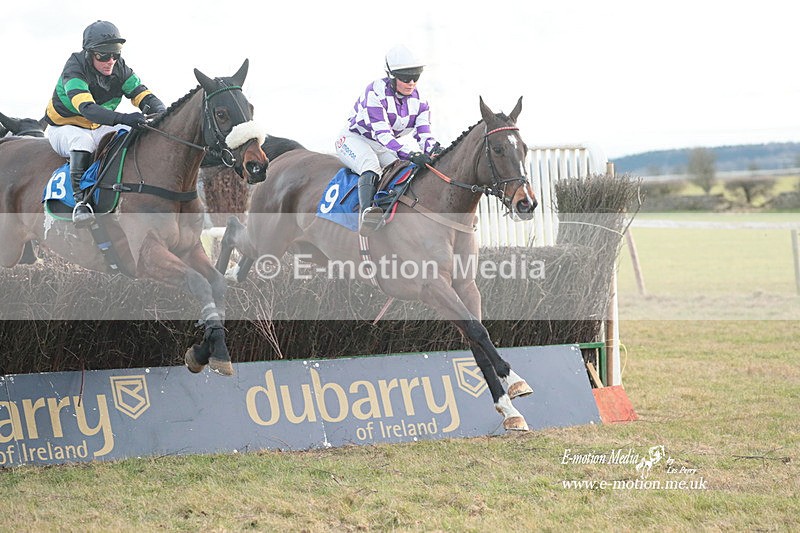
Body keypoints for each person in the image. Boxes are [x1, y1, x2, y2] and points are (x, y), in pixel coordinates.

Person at [45, 20, 166, 227]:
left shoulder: (121, 68)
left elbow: (143, 95)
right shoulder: (74, 68)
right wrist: (124, 118)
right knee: (82, 141)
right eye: (104, 55)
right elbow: (87, 109)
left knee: (135, 132)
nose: (111, 60)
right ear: (89, 53)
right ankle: (81, 202)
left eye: (115, 54)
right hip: (65, 127)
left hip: (98, 125)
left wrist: (163, 113)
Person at [335, 44, 442, 236]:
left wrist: (434, 150)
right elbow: (383, 134)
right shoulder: (375, 92)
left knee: (402, 169)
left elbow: (424, 134)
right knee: (370, 165)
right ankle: (367, 214)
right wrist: (412, 153)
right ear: (392, 76)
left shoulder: (421, 101)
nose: (411, 82)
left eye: (415, 77)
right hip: (354, 139)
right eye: (405, 77)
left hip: (381, 144)